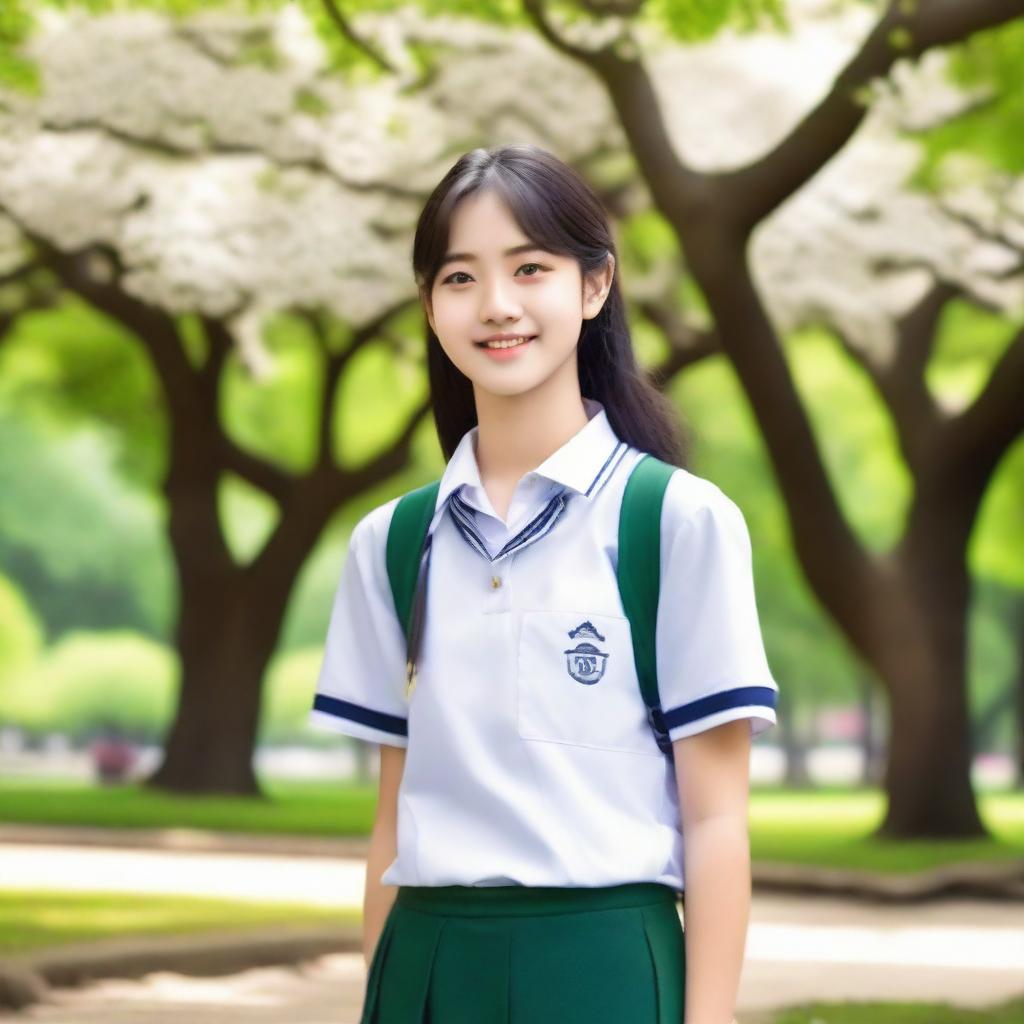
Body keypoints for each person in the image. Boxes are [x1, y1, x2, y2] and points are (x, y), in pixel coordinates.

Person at [308, 143, 779, 1024]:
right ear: (428, 303)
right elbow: (390, 822)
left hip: (604, 964)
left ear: (594, 287)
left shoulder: (675, 522)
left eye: (531, 268)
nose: (497, 306)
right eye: (459, 277)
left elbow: (717, 823)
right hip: (427, 966)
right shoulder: (391, 543)